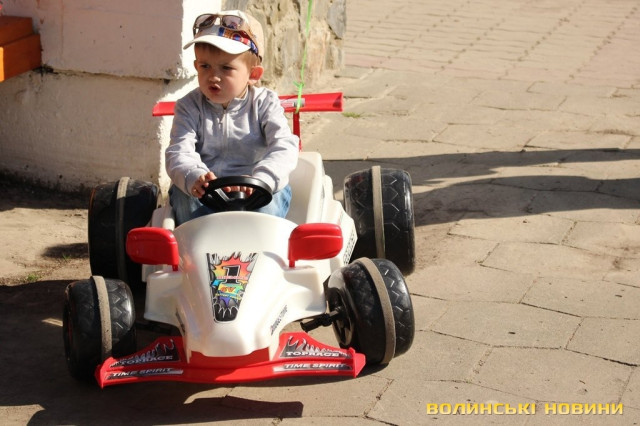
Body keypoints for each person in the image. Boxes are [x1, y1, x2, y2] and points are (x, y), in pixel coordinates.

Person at [166, 10, 299, 225]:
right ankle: (198, 241)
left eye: (226, 68)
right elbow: (178, 151)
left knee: (273, 198)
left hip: (255, 190)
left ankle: (259, 239)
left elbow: (284, 146)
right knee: (184, 195)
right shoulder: (188, 107)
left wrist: (263, 178)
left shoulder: (265, 103)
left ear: (253, 75)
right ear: (196, 67)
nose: (213, 76)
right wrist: (193, 175)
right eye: (205, 66)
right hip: (206, 192)